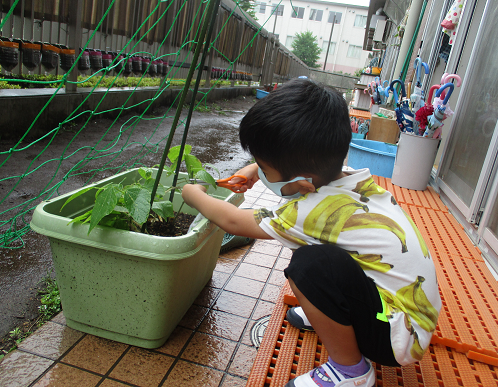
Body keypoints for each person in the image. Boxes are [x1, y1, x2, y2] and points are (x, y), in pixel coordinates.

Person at [182, 78, 441, 387]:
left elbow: (235, 222)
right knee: (314, 251)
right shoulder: (351, 182)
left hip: (395, 339)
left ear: (305, 183)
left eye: (265, 169)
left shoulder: (309, 212)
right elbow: (298, 176)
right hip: (407, 314)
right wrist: (257, 170)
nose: (261, 173)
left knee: (307, 266)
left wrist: (192, 193)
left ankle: (352, 372)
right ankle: (335, 315)